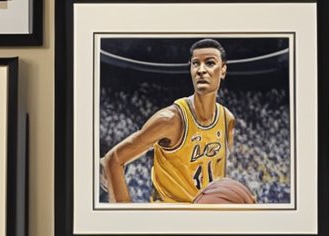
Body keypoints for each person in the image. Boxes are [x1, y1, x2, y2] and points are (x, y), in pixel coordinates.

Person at [100, 38, 237, 203]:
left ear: (223, 70)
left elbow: (217, 177)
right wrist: (125, 217)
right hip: (167, 218)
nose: (201, 70)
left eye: (209, 63)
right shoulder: (170, 120)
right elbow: (113, 159)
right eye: (195, 64)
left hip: (202, 219)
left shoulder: (227, 119)